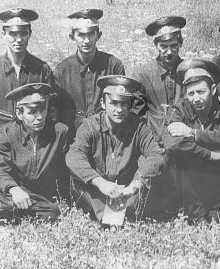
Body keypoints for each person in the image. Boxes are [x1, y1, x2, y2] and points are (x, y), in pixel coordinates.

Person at [0, 8, 54, 195]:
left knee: (37, 195)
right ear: (3, 34)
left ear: (30, 34)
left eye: (23, 34)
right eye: (12, 34)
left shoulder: (41, 69)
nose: (18, 40)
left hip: (30, 149)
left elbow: (51, 111)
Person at [66, 75, 164, 224]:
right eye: (113, 103)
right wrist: (101, 183)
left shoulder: (138, 126)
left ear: (130, 106)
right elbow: (73, 155)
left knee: (147, 174)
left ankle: (116, 213)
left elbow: (156, 155)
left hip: (125, 188)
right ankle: (113, 215)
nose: (119, 109)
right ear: (103, 103)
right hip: (97, 188)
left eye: (124, 104)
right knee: (77, 178)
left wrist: (134, 186)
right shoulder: (90, 126)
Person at [163, 59, 220, 222]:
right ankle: (196, 215)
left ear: (213, 89)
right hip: (189, 183)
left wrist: (193, 134)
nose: (196, 98)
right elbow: (172, 143)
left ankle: (219, 210)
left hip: (217, 181)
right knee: (174, 157)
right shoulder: (178, 111)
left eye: (201, 92)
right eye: (191, 93)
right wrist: (209, 154)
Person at [0, 83, 69, 226]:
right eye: (32, 112)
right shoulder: (9, 133)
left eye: (42, 110)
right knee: (10, 205)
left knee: (52, 214)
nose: (40, 117)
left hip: (37, 195)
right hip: (11, 189)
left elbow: (64, 169)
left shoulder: (59, 132)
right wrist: (15, 190)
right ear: (19, 114)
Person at [54, 9, 125, 137]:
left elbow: (122, 106)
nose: (86, 41)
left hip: (106, 135)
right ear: (72, 37)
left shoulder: (113, 66)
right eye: (81, 35)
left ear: (99, 35)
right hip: (73, 137)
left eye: (91, 34)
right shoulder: (62, 71)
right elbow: (55, 113)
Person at [131, 16, 186, 145]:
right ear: (155, 45)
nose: (169, 52)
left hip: (184, 142)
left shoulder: (188, 71)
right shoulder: (142, 75)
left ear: (180, 43)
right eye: (163, 46)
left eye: (173, 46)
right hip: (153, 143)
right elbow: (137, 116)